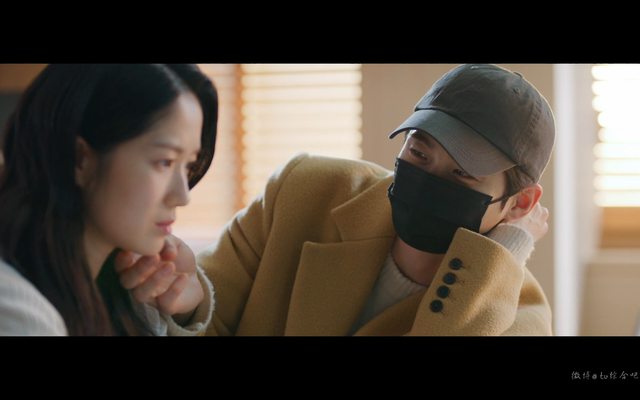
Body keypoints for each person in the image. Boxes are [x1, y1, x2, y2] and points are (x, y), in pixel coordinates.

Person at [119, 64, 555, 335]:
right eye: (419, 154)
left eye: (462, 173)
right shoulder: (303, 191)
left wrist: (501, 257)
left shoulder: (520, 320)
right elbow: (210, 317)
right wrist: (191, 303)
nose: (427, 180)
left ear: (520, 204)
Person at [0, 64, 217, 335]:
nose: (182, 196)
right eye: (165, 162)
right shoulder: (16, 313)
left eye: (188, 166)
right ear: (80, 159)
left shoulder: (118, 292)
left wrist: (178, 311)